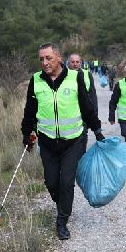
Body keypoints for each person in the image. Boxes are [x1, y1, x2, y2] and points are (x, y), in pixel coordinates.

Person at [21, 43, 104, 240]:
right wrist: (27, 134)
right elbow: (30, 111)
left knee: (66, 182)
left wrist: (97, 129)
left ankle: (62, 220)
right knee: (51, 182)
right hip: (47, 142)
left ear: (58, 57)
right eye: (41, 59)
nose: (44, 62)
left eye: (48, 58)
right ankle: (63, 204)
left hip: (73, 141)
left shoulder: (75, 77)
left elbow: (87, 106)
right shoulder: (36, 81)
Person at [68, 53, 98, 140]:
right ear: (68, 63)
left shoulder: (87, 74)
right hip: (69, 114)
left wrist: (94, 113)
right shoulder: (63, 75)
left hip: (84, 114)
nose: (75, 64)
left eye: (77, 62)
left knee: (82, 138)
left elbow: (93, 95)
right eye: (72, 62)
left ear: (81, 63)